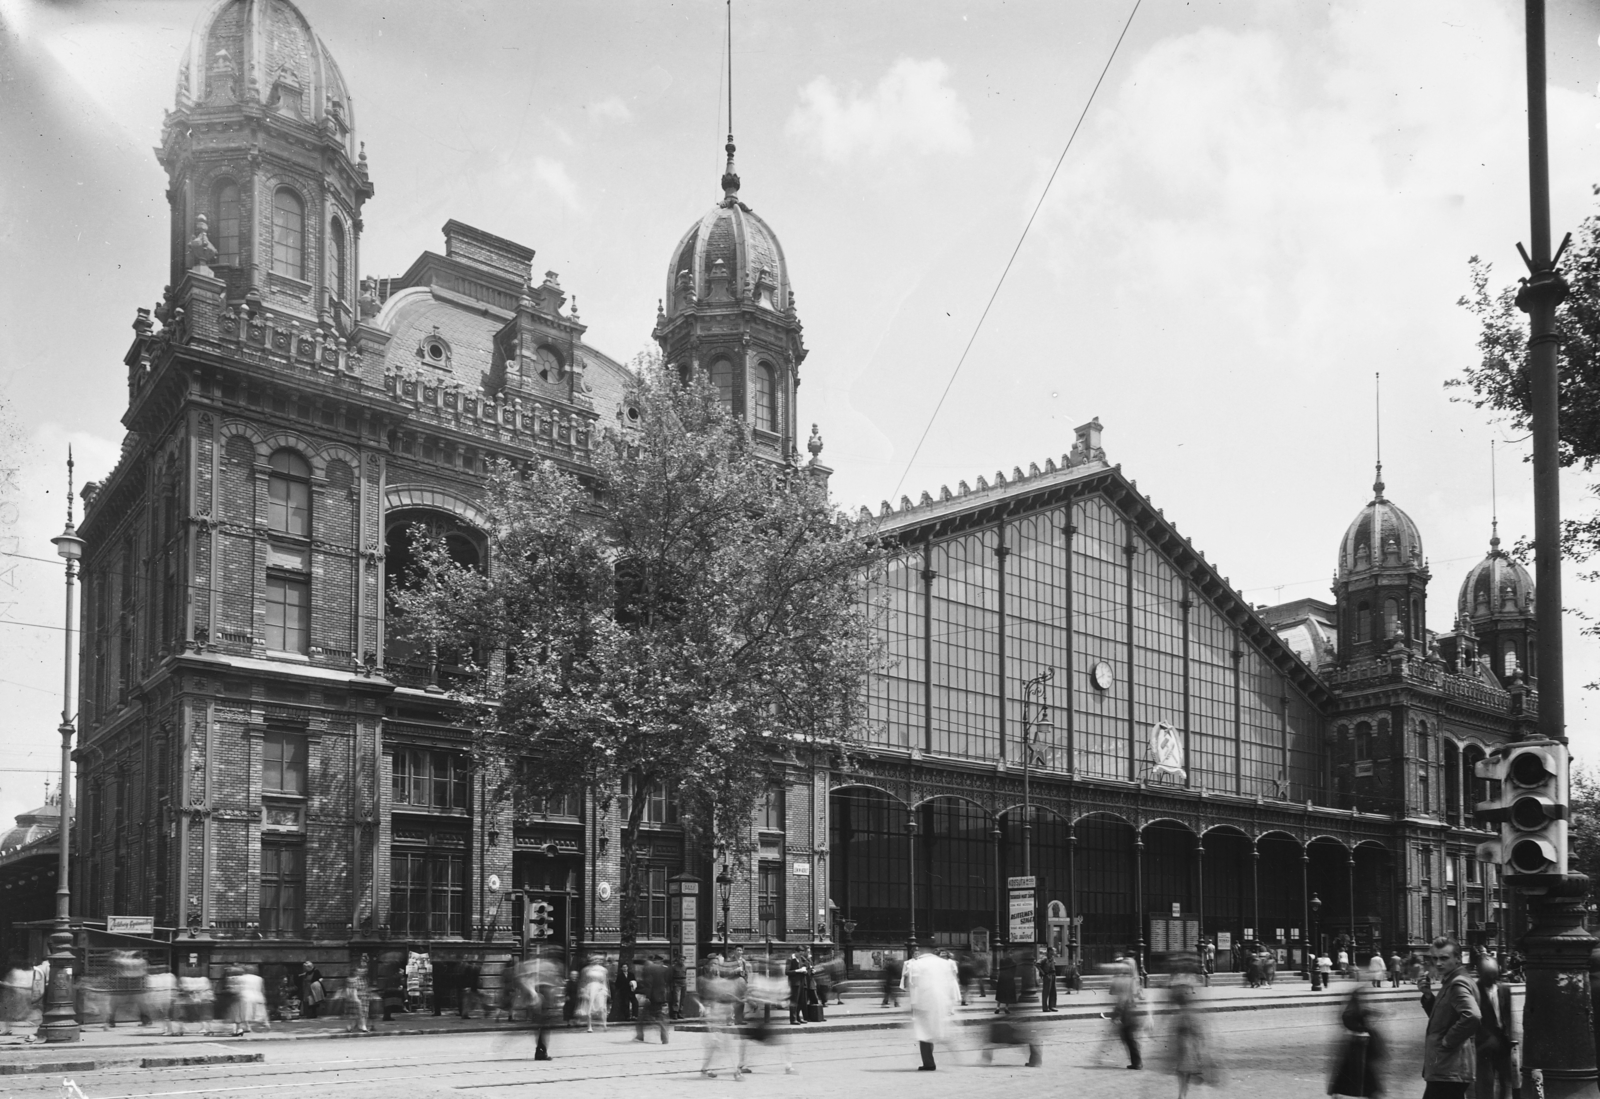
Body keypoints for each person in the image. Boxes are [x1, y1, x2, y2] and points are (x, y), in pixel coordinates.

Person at [1418, 936, 1481, 1099]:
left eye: (1444, 958)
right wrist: (1428, 996)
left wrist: (1447, 1041)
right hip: (1447, 1069)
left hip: (1449, 1069)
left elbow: (1472, 1016)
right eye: (1435, 958)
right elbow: (1445, 1018)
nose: (1438, 963)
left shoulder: (1457, 984)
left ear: (1458, 959)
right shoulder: (1451, 981)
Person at [902, 940, 959, 1071]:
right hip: (941, 1002)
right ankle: (951, 1049)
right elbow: (950, 982)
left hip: (924, 1002)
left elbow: (914, 983)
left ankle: (929, 1063)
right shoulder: (944, 963)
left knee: (924, 1033)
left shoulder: (918, 964)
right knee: (938, 1028)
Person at [1330, 981, 1386, 1098]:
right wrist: (1364, 1029)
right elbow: (1348, 1022)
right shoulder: (1350, 1011)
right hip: (1355, 1045)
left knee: (1361, 1069)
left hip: (1361, 1044)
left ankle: (1370, 1092)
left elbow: (1367, 1011)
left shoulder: (1357, 1008)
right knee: (1354, 1069)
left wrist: (1380, 1013)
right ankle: (1343, 1091)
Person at [1473, 956, 1519, 1099]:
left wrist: (1513, 1038)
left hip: (1503, 1043)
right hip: (1484, 1046)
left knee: (1506, 1081)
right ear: (1481, 974)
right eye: (1488, 977)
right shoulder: (1474, 991)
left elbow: (1509, 1016)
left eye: (1494, 977)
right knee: (1485, 1083)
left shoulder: (1504, 989)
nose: (1491, 981)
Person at [1109, 952, 1144, 1070]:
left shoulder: (1123, 979)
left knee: (1128, 1036)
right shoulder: (1125, 978)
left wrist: (1117, 1013)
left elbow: (1122, 998)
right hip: (1128, 1009)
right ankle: (1136, 1061)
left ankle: (1137, 1062)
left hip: (1126, 1011)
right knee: (1127, 1036)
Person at [634, 954, 671, 1044]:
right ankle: (664, 1037)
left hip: (652, 997)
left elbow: (648, 984)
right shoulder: (663, 969)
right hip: (661, 996)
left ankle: (640, 1035)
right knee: (658, 1016)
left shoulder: (648, 969)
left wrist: (648, 997)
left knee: (645, 1017)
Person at [579, 960, 610, 1032]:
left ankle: (605, 1024)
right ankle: (589, 1027)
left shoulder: (603, 970)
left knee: (602, 1007)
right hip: (590, 988)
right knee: (589, 1007)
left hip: (600, 988)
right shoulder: (586, 970)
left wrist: (605, 990)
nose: (596, 961)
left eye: (598, 960)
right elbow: (583, 981)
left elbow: (605, 981)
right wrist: (583, 990)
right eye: (594, 960)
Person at [786, 950, 811, 1024]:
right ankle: (793, 1019)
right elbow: (787, 972)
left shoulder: (800, 959)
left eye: (802, 953)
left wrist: (805, 971)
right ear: (796, 952)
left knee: (800, 1001)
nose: (801, 955)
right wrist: (798, 970)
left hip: (801, 983)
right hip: (794, 984)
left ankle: (798, 1017)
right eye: (800, 953)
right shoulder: (790, 960)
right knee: (794, 1001)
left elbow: (807, 966)